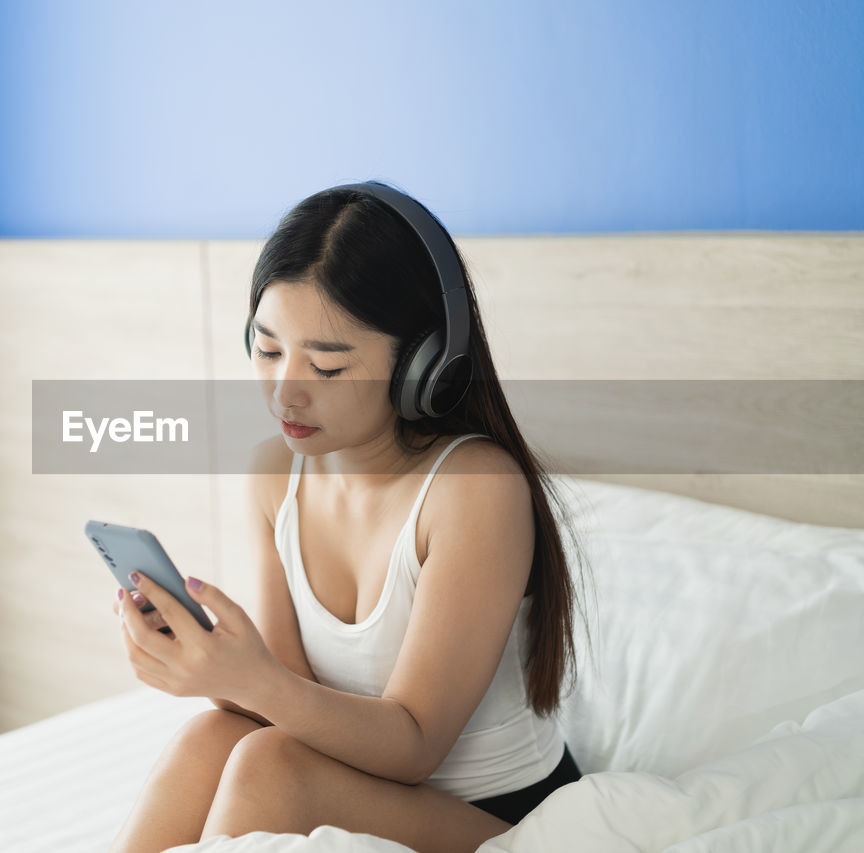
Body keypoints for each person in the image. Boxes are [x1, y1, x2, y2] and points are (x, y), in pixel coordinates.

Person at [108, 182, 589, 853]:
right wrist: (214, 667)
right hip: (357, 776)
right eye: (269, 350)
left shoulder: (474, 488)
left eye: (328, 368)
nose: (284, 391)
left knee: (268, 764)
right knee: (212, 736)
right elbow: (290, 694)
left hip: (497, 811)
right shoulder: (274, 473)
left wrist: (256, 681)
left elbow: (416, 744)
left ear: (423, 366)